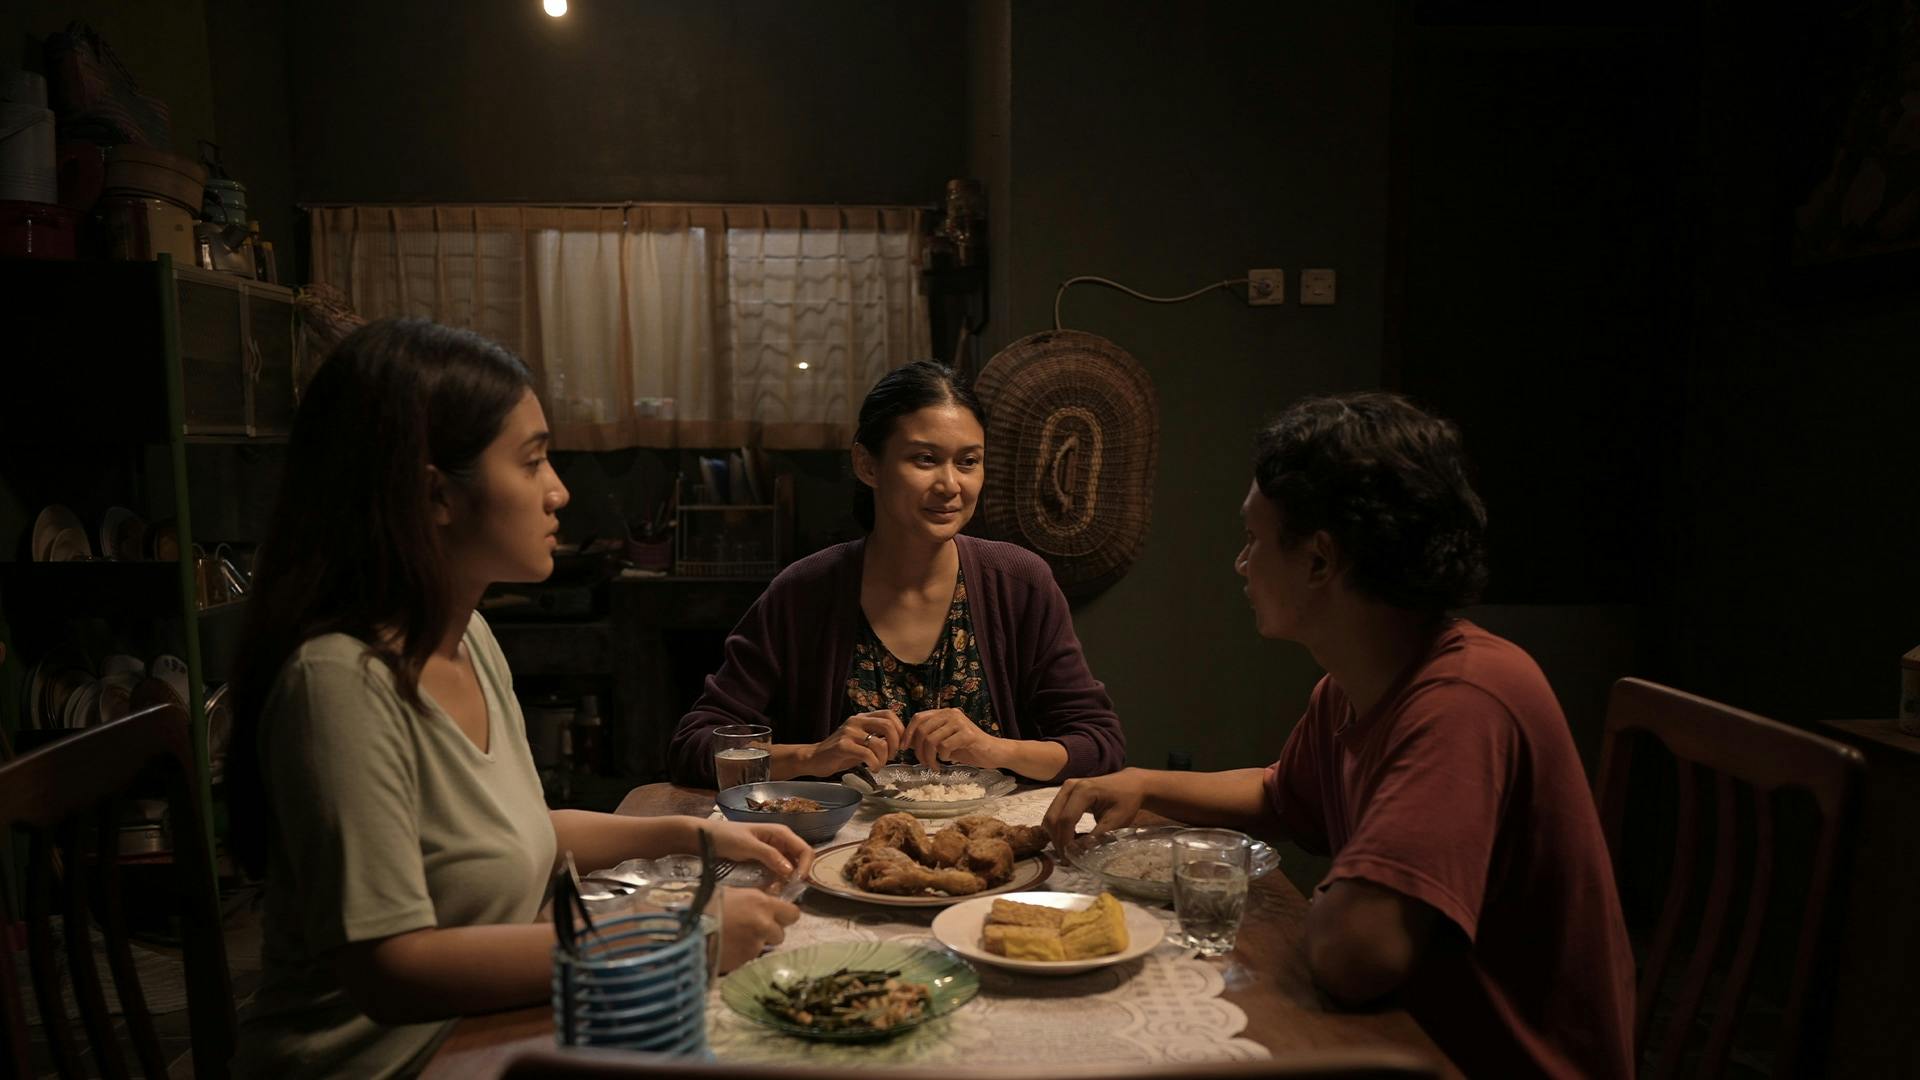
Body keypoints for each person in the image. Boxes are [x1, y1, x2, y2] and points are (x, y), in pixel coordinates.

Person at [227, 319, 812, 1079]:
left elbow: (512, 833)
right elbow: (391, 968)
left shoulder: (467, 636)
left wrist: (691, 834)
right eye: (533, 461)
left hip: (486, 1034)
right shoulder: (340, 684)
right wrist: (676, 929)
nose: (559, 490)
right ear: (434, 492)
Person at [1042, 392, 1635, 1079]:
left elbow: (1359, 955)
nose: (1241, 563)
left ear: (1321, 561)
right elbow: (1281, 794)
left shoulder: (1465, 700)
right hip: (1407, 1036)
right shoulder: (1358, 681)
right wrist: (1143, 782)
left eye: (1255, 539)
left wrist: (1330, 896)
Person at [668, 360, 1125, 786]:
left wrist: (993, 749)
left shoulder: (1020, 583)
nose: (951, 485)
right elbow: (694, 747)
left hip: (990, 852)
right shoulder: (804, 591)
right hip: (835, 856)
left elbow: (1099, 745)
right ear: (868, 465)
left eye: (968, 461)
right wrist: (812, 756)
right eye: (925, 459)